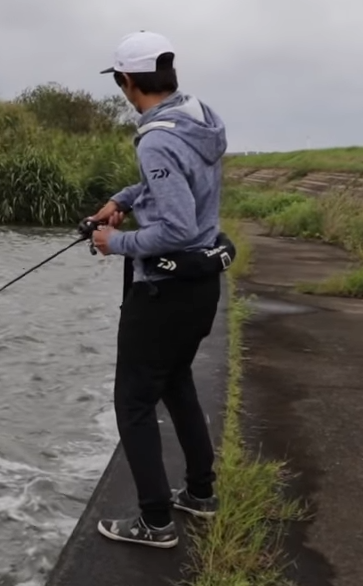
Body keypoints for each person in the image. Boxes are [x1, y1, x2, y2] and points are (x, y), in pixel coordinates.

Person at [86, 30, 228, 548]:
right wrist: (122, 199)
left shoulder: (158, 138)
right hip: (200, 286)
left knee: (133, 404)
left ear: (127, 82)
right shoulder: (198, 116)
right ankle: (200, 494)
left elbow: (177, 228)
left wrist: (114, 241)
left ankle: (154, 523)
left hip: (164, 291)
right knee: (177, 384)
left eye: (120, 82)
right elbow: (179, 186)